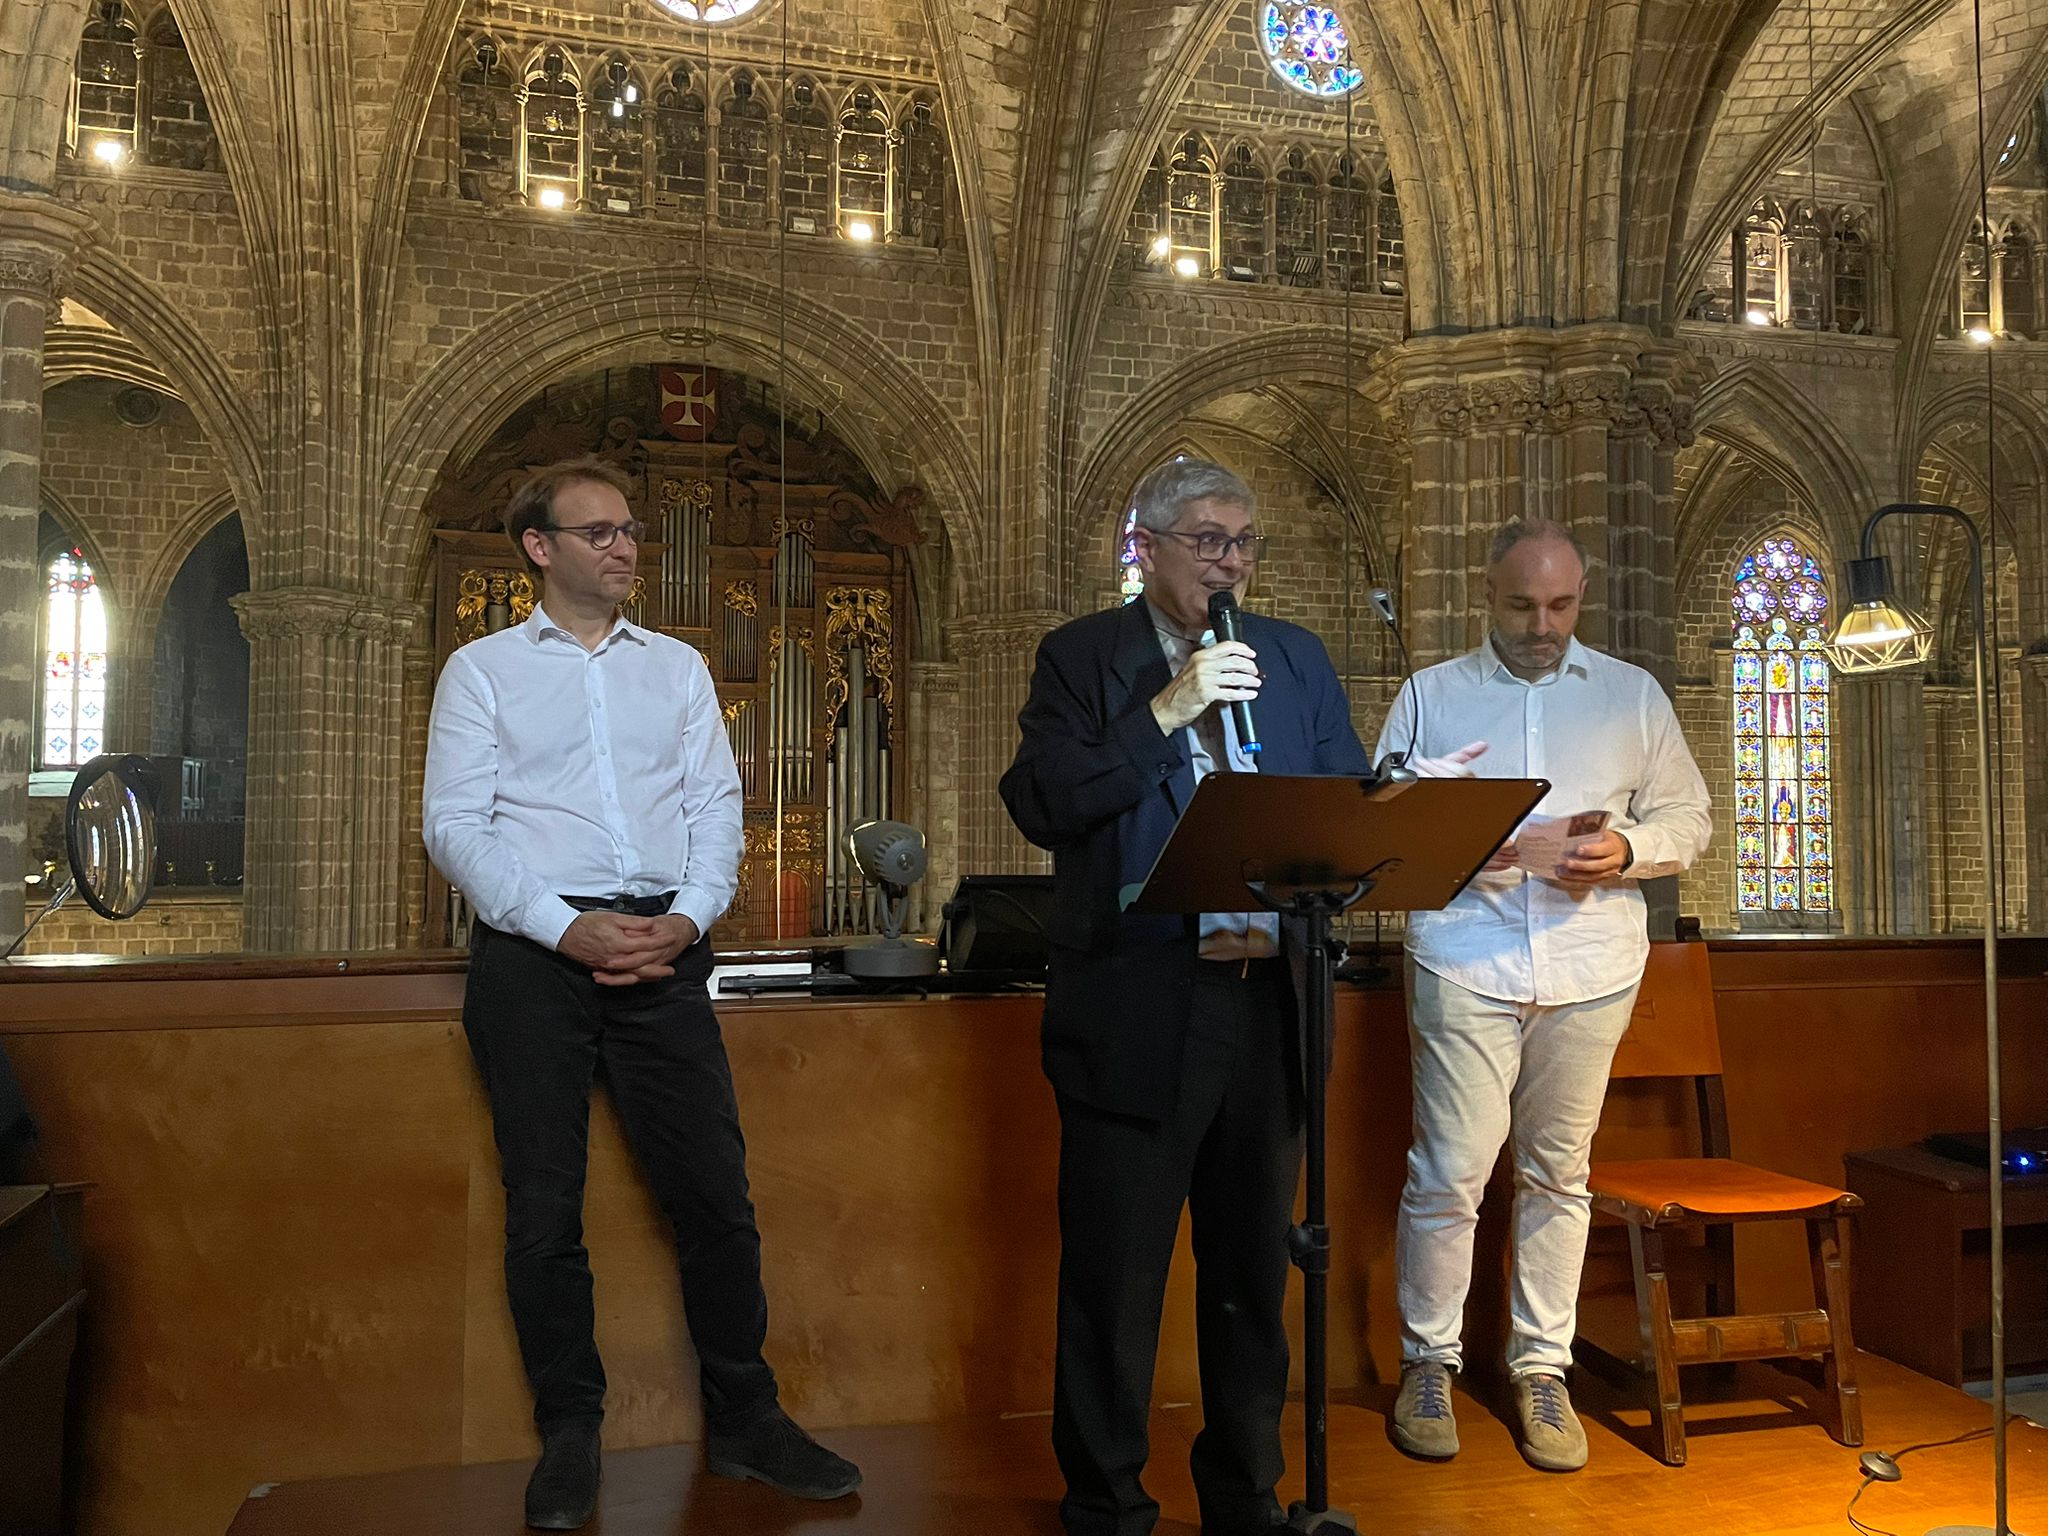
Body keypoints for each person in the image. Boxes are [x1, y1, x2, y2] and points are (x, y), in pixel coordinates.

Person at [423, 456, 859, 1530]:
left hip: (665, 951)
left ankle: (748, 1421)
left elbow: (718, 807)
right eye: (600, 531)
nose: (627, 548)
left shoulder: (676, 669)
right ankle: (569, 1436)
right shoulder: (480, 671)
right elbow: (453, 825)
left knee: (715, 1197)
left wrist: (688, 916)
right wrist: (565, 927)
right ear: (540, 547)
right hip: (533, 959)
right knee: (543, 1214)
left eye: (630, 531)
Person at [1001, 457, 1371, 1536]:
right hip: (1139, 1000)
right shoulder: (1082, 658)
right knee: (1116, 1280)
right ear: (1147, 546)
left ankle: (1244, 1495)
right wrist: (1165, 710)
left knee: (1252, 1272)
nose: (1229, 562)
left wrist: (1378, 821)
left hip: (1270, 1002)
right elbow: (1044, 803)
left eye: (1243, 542)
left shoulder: (1292, 660)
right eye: (1207, 540)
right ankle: (1107, 1499)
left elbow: (1338, 800)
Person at [1374, 516, 1711, 1472]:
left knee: (1560, 1175)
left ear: (1581, 598)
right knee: (1449, 1172)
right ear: (1488, 595)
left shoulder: (1630, 695)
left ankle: (1541, 1370)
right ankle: (1428, 1363)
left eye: (1561, 605)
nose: (1543, 623)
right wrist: (1453, 850)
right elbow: (1379, 830)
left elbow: (1690, 813)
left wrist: (1628, 851)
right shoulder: (1429, 695)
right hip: (1465, 957)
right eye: (1524, 605)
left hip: (1591, 963)